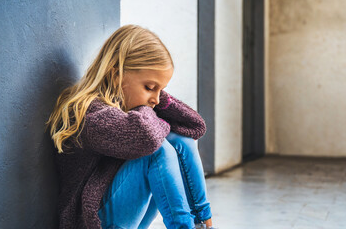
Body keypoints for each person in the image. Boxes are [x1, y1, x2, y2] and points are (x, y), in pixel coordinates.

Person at [45, 24, 217, 229]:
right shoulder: (92, 115)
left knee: (180, 140)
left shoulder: (128, 111)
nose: (156, 99)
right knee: (157, 151)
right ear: (116, 75)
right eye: (150, 87)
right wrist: (151, 107)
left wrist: (157, 97)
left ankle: (202, 222)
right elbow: (148, 137)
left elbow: (194, 127)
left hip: (119, 215)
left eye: (161, 90)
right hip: (91, 222)